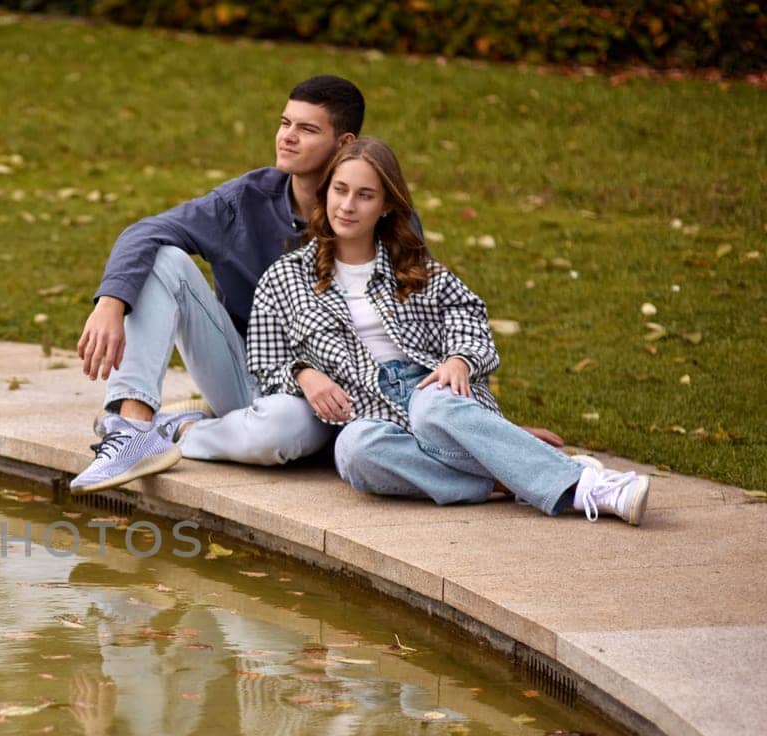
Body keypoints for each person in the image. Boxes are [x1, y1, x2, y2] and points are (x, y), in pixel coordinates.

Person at [244, 137, 649, 525]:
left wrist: (459, 360)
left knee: (432, 406)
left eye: (365, 195)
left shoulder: (419, 269)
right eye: (340, 190)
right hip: (371, 412)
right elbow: (264, 361)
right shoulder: (284, 278)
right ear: (325, 192)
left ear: (386, 205)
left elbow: (469, 318)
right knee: (354, 450)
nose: (347, 206)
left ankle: (589, 488)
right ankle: (509, 475)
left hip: (434, 392)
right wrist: (304, 374)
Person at [71, 75, 361, 493]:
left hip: (324, 399)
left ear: (344, 143)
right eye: (285, 123)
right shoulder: (246, 199)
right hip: (245, 372)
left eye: (307, 129)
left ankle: (183, 431)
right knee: (164, 256)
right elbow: (146, 232)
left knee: (280, 434)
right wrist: (111, 302)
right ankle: (133, 429)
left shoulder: (376, 212)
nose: (288, 137)